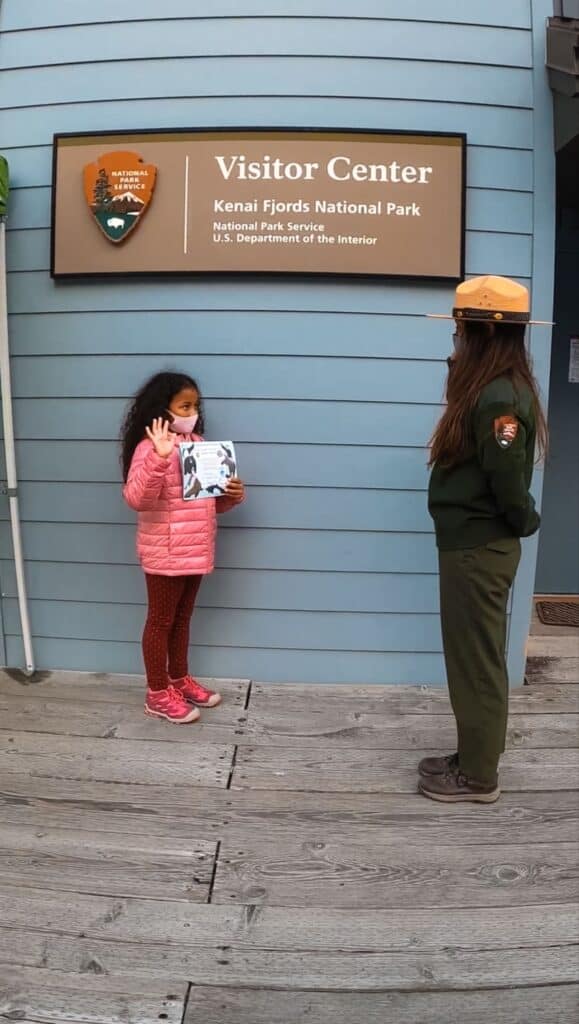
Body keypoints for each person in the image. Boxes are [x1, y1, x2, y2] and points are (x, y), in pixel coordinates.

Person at [420, 276, 549, 803]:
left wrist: (526, 521)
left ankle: (478, 776)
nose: (453, 335)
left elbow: (508, 485)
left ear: (477, 331)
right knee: (474, 657)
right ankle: (474, 753)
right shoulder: (486, 384)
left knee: (476, 663)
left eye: (459, 326)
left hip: (479, 550)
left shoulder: (498, 397)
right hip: (469, 548)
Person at [120, 372, 245, 723]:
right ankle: (157, 693)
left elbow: (204, 501)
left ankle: (179, 679)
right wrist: (160, 457)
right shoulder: (149, 447)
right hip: (165, 552)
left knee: (182, 619)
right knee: (160, 621)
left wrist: (230, 496)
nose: (192, 411)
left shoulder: (199, 444)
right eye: (184, 405)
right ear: (163, 409)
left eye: (195, 405)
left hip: (196, 549)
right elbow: (137, 499)